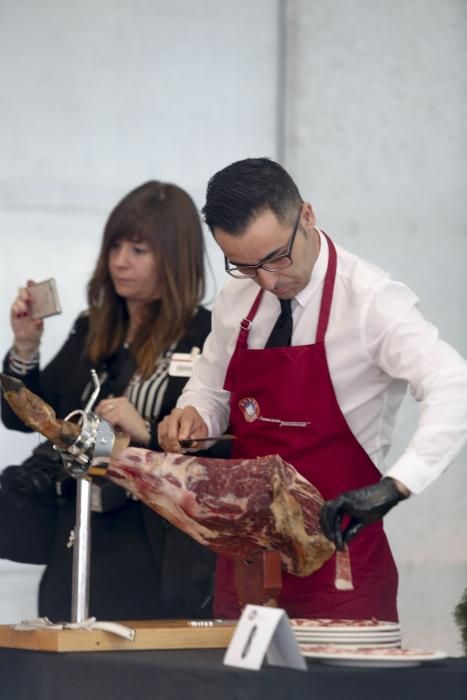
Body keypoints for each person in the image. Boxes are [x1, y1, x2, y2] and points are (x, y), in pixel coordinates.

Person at [158, 157, 467, 622]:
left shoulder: (371, 301)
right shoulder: (235, 299)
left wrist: (397, 485)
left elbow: (454, 385)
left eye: (277, 258)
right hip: (247, 560)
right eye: (244, 265)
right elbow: (211, 389)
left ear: (307, 215)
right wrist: (195, 415)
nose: (267, 280)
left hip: (340, 564)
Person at [0, 180, 216, 621]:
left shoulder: (207, 335)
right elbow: (25, 418)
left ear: (175, 256)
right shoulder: (93, 327)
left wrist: (148, 429)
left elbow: (222, 449)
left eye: (139, 250)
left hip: (153, 546)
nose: (120, 262)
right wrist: (24, 347)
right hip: (77, 534)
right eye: (115, 246)